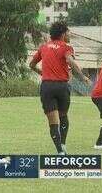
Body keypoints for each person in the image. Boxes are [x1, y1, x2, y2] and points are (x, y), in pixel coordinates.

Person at [29, 21, 91, 154]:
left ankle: (60, 152)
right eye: (68, 32)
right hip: (62, 87)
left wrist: (42, 73)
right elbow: (70, 61)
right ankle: (63, 144)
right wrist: (82, 77)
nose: (70, 34)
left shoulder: (43, 47)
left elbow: (32, 65)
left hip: (47, 87)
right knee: (63, 116)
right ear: (63, 34)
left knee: (53, 122)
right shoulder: (66, 47)